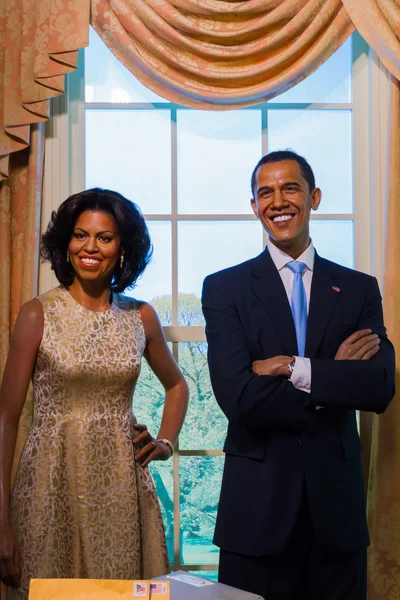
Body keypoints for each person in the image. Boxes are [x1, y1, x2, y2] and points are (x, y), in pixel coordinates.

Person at [201, 151, 395, 600]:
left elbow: (380, 387)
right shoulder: (224, 288)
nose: (278, 201)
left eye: (290, 188)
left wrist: (294, 368)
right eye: (264, 192)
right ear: (253, 206)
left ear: (314, 197)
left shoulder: (358, 289)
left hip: (336, 517)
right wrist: (335, 380)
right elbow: (239, 397)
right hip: (255, 516)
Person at [0, 188, 189, 599]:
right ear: (65, 244)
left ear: (123, 249)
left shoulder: (140, 316)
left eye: (105, 238)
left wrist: (165, 442)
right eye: (80, 235)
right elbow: (6, 418)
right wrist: (1, 521)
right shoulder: (38, 313)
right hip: (48, 489)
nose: (90, 247)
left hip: (120, 492)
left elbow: (177, 385)